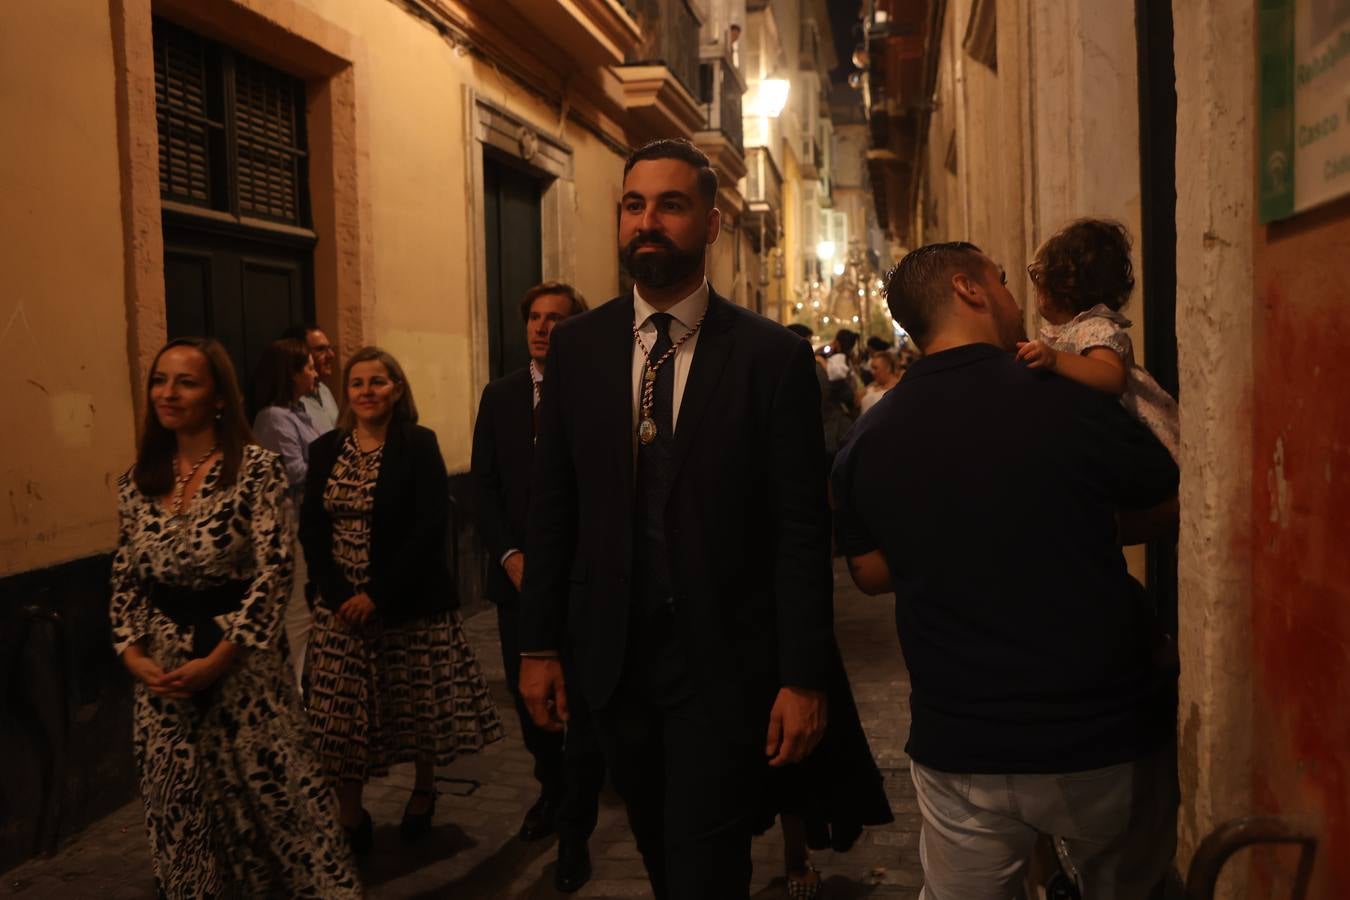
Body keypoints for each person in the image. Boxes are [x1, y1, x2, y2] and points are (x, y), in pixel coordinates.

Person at [518, 138, 835, 899]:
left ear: (713, 222)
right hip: (613, 665)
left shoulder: (770, 359)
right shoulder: (577, 349)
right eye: (634, 205)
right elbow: (553, 507)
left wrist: (803, 676)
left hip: (721, 667)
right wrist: (539, 644)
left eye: (670, 204)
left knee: (705, 867)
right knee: (662, 851)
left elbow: (800, 529)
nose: (647, 222)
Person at [831, 242, 1181, 900]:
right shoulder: (1067, 398)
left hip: (963, 740)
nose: (1016, 298)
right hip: (1102, 731)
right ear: (969, 289)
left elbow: (872, 573)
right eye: (1001, 279)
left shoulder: (870, 440)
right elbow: (1166, 497)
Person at [109, 337, 360, 899]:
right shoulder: (136, 483)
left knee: (282, 816)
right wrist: (135, 658)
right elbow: (126, 582)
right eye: (160, 380)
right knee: (184, 819)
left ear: (219, 397)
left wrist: (219, 659)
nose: (168, 393)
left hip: (244, 677)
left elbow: (274, 575)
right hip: (166, 689)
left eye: (186, 381)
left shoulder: (255, 471)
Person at [301, 346, 503, 853]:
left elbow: (429, 525)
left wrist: (378, 594)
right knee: (338, 715)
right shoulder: (326, 449)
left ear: (397, 389)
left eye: (377, 381)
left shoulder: (418, 444)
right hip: (340, 607)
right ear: (346, 394)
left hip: (407, 599)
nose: (367, 392)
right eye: (357, 384)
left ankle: (424, 787)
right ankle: (350, 814)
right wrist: (340, 593)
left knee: (416, 704)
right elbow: (311, 528)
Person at [471, 281, 605, 892]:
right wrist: (509, 554)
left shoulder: (599, 395)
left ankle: (575, 831)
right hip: (519, 583)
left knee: (582, 704)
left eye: (555, 318)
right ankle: (551, 788)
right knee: (534, 712)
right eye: (534, 317)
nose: (542, 327)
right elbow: (484, 488)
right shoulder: (499, 397)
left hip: (582, 584)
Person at [1015, 219, 1179, 460]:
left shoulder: (1093, 327)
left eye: (1038, 277)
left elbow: (1111, 376)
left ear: (1060, 284)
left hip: (1128, 442)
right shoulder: (1070, 330)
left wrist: (1054, 359)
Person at [253, 337, 323, 687]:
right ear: (290, 374)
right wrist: (332, 465)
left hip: (308, 522)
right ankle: (290, 694)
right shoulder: (273, 418)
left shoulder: (299, 412)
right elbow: (290, 472)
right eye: (308, 366)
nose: (314, 373)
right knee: (296, 613)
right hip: (291, 525)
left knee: (305, 613)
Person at [281, 323, 340, 432]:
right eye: (321, 349)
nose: (331, 355)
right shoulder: (291, 401)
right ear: (300, 354)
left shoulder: (324, 390)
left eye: (329, 348)